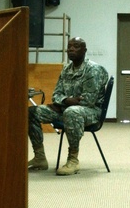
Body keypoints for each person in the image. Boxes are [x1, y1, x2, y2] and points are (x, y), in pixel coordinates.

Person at [27, 37, 108, 176]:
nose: (71, 49)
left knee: (72, 112)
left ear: (84, 50)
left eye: (76, 46)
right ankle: (40, 157)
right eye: (69, 46)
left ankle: (73, 160)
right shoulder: (66, 69)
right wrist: (65, 101)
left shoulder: (93, 70)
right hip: (66, 108)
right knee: (31, 112)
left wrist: (63, 103)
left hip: (91, 112)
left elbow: (88, 101)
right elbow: (56, 94)